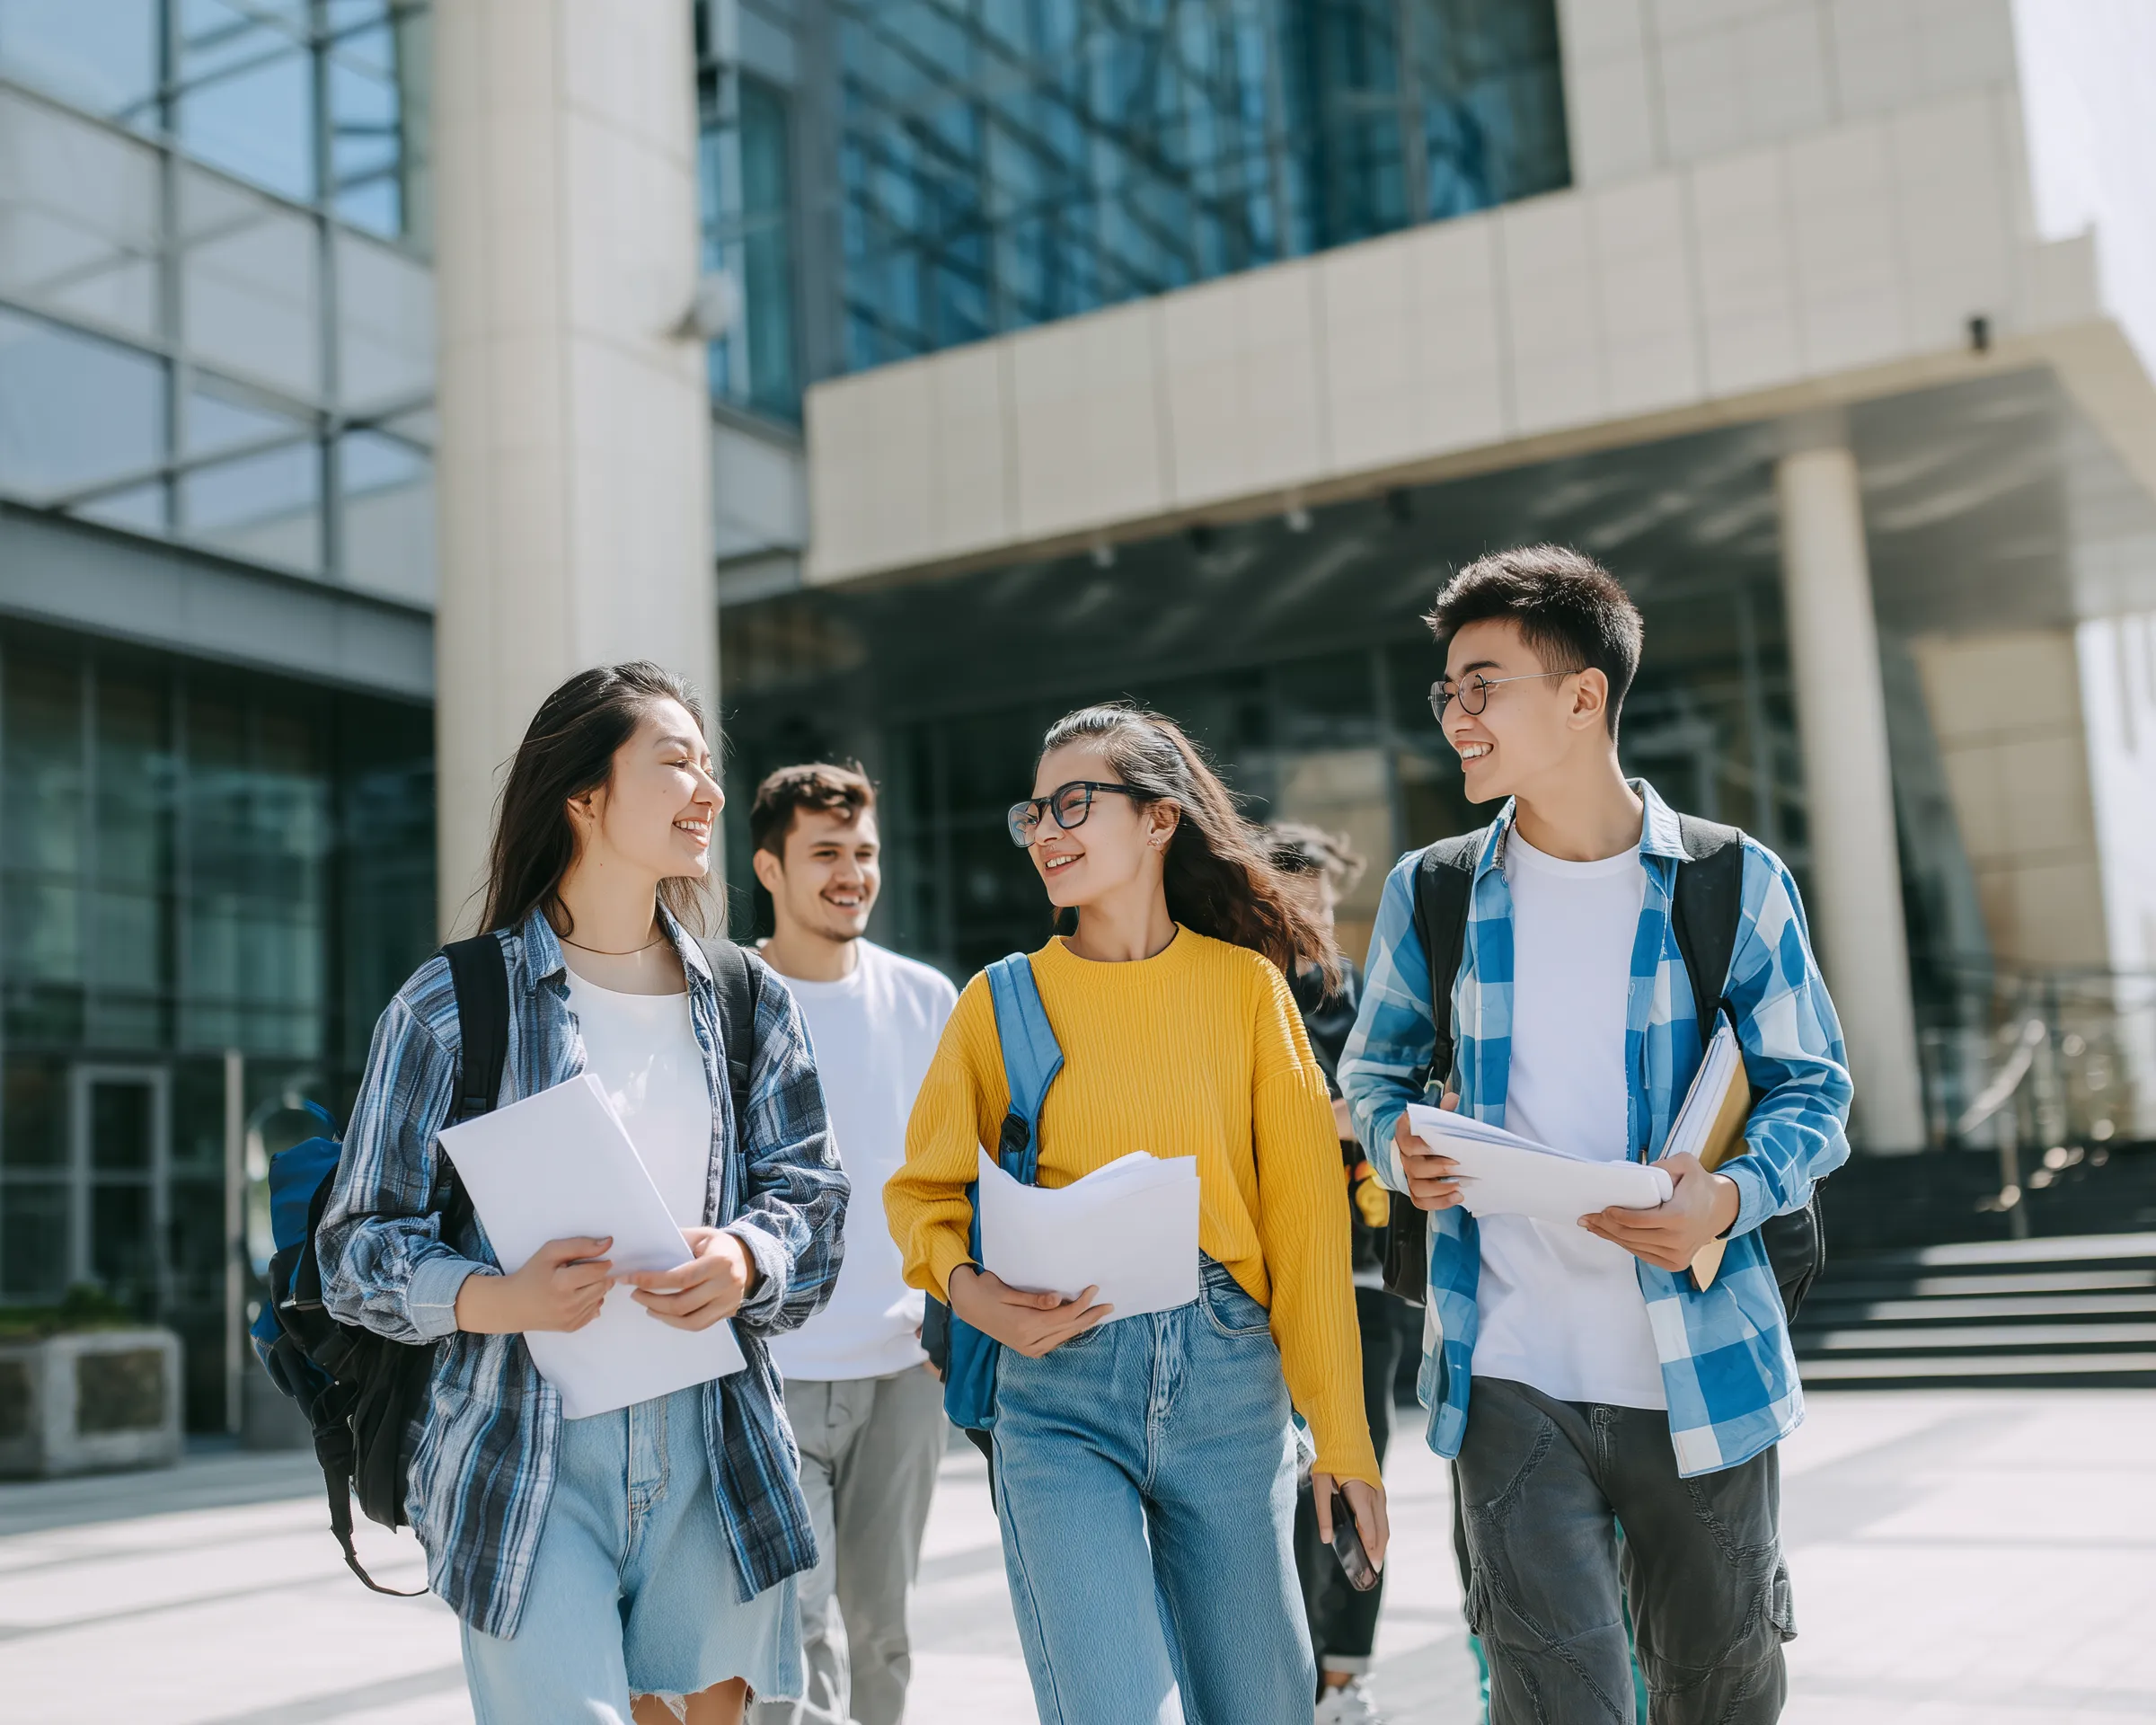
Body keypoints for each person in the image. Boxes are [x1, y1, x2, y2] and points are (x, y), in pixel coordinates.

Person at [1339, 547, 1852, 1725]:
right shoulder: (1437, 892)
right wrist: (1391, 1141)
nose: (1456, 718)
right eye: (1446, 694)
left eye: (1483, 687)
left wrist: (1722, 1199)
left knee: (1718, 1696)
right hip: (1508, 1368)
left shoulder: (1730, 881)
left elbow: (1812, 1089)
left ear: (1581, 698)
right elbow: (1371, 1072)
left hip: (1702, 1373)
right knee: (1554, 1701)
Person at [318, 663, 850, 1725]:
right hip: (524, 1456)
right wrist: (493, 1296)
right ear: (585, 796)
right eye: (675, 765)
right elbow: (354, 1247)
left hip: (714, 1446)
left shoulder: (748, 1001)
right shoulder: (454, 1002)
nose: (707, 791)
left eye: (710, 767)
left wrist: (746, 1259)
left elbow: (815, 1203)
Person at [886, 702, 1389, 1725]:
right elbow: (923, 1196)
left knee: (1264, 1710)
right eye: (1035, 814)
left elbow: (1305, 1227)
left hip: (1229, 1389)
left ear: (1159, 821)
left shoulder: (1248, 991)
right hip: (1058, 1388)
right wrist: (981, 1301)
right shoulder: (1001, 1001)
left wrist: (1343, 1439)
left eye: (1077, 803)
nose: (1049, 833)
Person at [746, 763, 958, 1725]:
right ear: (769, 868)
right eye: (824, 853)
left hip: (902, 1371)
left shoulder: (927, 1001)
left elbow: (970, 1176)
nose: (851, 873)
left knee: (883, 1633)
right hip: (765, 1369)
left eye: (863, 853)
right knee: (788, 1632)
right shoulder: (725, 1002)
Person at [1265, 823, 1402, 1725]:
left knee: (1360, 1475)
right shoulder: (1249, 995)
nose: (1314, 913)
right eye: (1295, 897)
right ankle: (1284, 1669)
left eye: (1323, 896)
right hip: (1272, 1285)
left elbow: (1396, 1106)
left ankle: (1344, 1680)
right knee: (1278, 1486)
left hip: (1367, 1281)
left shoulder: (1366, 999)